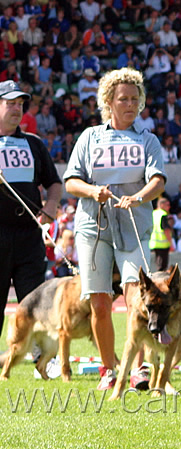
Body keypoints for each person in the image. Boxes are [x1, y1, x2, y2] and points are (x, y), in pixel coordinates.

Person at [63, 68, 167, 391]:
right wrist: (93, 191)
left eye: (135, 99)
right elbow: (71, 181)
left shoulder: (148, 139)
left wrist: (139, 197)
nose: (131, 105)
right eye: (124, 99)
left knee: (136, 298)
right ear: (109, 101)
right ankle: (108, 370)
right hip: (93, 226)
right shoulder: (90, 137)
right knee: (99, 302)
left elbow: (158, 181)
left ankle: (137, 371)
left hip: (134, 225)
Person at [0, 80, 62, 336]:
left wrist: (49, 209)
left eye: (20, 104)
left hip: (29, 235)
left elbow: (54, 183)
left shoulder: (34, 143)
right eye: (10, 103)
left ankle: (43, 360)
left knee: (35, 302)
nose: (17, 109)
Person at [149, 197, 173, 271]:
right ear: (162, 205)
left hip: (153, 243)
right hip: (163, 244)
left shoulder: (153, 213)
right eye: (167, 205)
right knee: (162, 267)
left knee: (158, 264)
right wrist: (171, 243)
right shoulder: (163, 214)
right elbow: (166, 230)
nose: (169, 207)